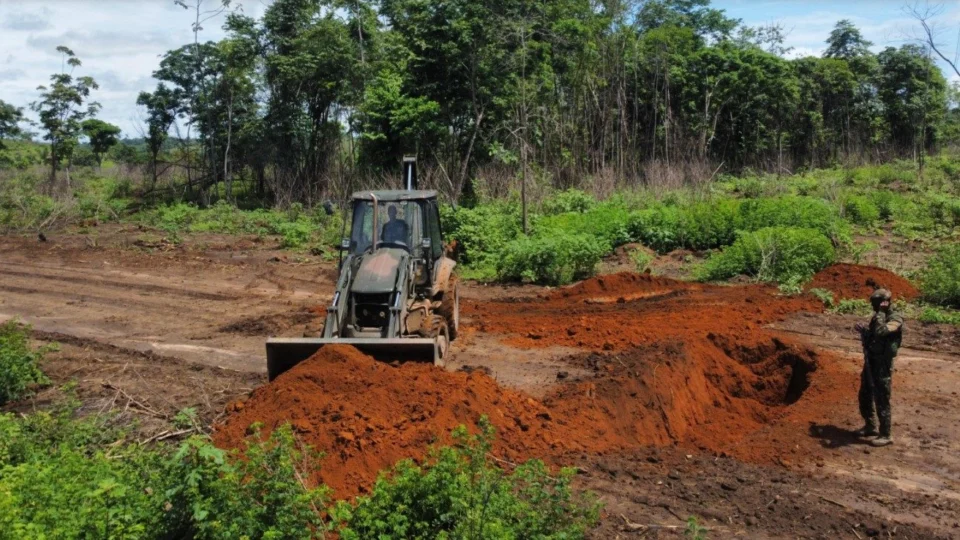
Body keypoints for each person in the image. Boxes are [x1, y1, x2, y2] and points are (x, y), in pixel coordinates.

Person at [854, 288, 904, 447]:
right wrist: (865, 332)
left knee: (882, 398)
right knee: (865, 394)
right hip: (871, 361)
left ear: (884, 303)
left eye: (875, 304)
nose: (873, 307)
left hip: (882, 364)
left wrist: (881, 313)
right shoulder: (878, 316)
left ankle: (886, 434)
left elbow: (882, 331)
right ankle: (870, 426)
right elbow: (874, 335)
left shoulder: (895, 318)